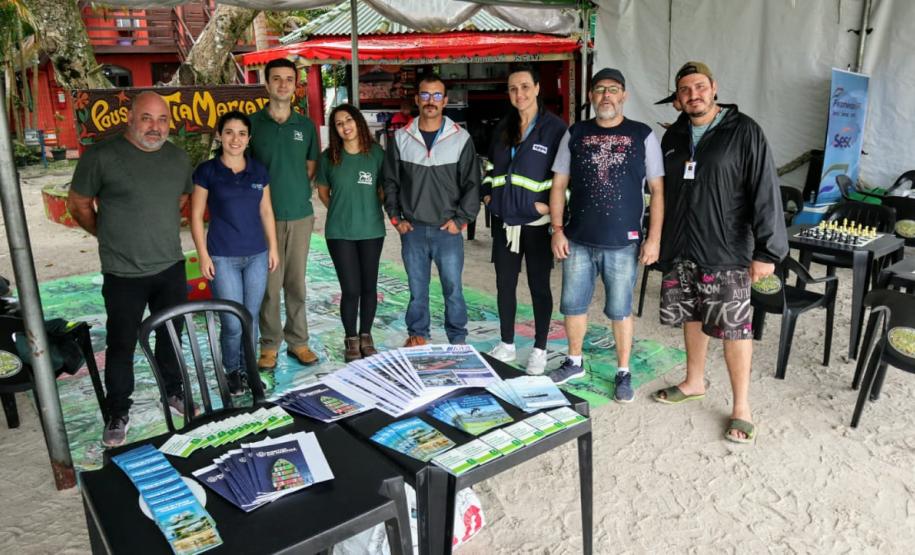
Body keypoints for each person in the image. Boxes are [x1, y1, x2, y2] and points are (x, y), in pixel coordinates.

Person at [653, 61, 788, 443]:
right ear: (677, 100)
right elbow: (663, 193)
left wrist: (767, 250)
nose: (693, 94)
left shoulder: (744, 131)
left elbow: (765, 191)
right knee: (692, 316)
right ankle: (694, 380)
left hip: (726, 249)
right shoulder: (675, 136)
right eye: (684, 90)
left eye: (699, 87)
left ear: (714, 88)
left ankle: (741, 406)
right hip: (682, 246)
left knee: (734, 327)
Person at [68, 91, 194, 447]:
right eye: (147, 118)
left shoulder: (178, 159)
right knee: (122, 344)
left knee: (172, 336)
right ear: (130, 118)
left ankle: (173, 392)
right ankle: (118, 410)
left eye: (162, 120)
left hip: (170, 265)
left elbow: (181, 202)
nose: (155, 128)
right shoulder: (102, 157)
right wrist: (104, 233)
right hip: (123, 273)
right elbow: (78, 204)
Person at [548, 67, 665, 403]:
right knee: (573, 305)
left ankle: (623, 371)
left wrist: (653, 238)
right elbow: (558, 184)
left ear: (624, 95)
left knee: (620, 310)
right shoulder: (576, 133)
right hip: (578, 240)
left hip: (623, 243)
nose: (606, 96)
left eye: (613, 89)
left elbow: (657, 190)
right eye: (599, 90)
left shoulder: (642, 135)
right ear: (590, 96)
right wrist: (557, 230)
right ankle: (574, 361)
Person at [481, 64, 567, 375]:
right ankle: (506, 344)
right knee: (505, 285)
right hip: (506, 222)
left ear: (537, 88)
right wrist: (488, 193)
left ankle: (540, 349)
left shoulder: (556, 129)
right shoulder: (504, 127)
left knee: (538, 287)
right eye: (514, 88)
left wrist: (552, 207)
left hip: (537, 226)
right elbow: (491, 166)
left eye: (525, 87)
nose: (520, 94)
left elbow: (568, 177)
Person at [382, 74, 481, 347]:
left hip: (447, 231)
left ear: (445, 101)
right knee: (417, 290)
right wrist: (395, 218)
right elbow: (389, 182)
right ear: (417, 99)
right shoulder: (402, 138)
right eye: (425, 95)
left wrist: (461, 221)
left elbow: (473, 184)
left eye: (437, 96)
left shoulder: (460, 139)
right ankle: (418, 335)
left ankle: (457, 339)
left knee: (453, 290)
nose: (430, 101)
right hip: (412, 230)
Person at [190, 111, 279, 396]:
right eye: (229, 132)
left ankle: (247, 369)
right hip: (222, 257)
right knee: (232, 320)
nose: (235, 139)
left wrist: (273, 247)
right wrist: (203, 255)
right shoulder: (207, 171)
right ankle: (231, 371)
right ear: (219, 135)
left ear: (249, 138)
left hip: (256, 255)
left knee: (250, 318)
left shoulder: (258, 170)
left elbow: (266, 211)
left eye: (241, 133)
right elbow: (195, 216)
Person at [249, 58, 320, 370]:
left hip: (300, 215)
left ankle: (299, 342)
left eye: (288, 79)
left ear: (295, 85)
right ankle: (269, 344)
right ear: (266, 84)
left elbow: (310, 167)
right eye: (276, 79)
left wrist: (292, 191)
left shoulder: (305, 126)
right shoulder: (251, 125)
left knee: (296, 283)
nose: (282, 84)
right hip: (263, 218)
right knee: (269, 285)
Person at [316, 104, 386, 362]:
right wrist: (342, 210)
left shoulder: (376, 154)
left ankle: (366, 335)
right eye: (338, 123)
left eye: (349, 120)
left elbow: (382, 190)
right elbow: (324, 192)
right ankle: (351, 339)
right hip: (340, 232)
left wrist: (367, 210)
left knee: (369, 287)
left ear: (358, 122)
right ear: (334, 129)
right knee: (351, 288)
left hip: (371, 230)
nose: (345, 126)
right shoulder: (329, 157)